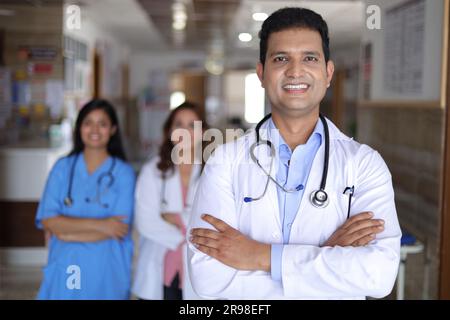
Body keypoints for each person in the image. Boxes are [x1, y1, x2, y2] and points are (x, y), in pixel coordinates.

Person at [187, 7, 401, 299]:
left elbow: (378, 275)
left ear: (328, 73)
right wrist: (326, 255)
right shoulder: (224, 161)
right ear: (262, 73)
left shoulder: (365, 164)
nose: (295, 70)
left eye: (309, 58)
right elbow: (208, 280)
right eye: (281, 58)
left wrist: (260, 256)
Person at [35, 99, 136, 299]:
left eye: (103, 123)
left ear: (113, 129)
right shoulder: (62, 168)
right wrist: (103, 225)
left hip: (107, 269)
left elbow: (119, 228)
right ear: (79, 127)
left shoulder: (124, 173)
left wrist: (66, 233)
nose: (95, 129)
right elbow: (48, 220)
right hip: (67, 266)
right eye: (88, 122)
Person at [132, 102, 207, 300]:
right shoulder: (153, 170)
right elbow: (145, 222)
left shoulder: (214, 171)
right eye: (179, 124)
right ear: (169, 130)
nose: (185, 131)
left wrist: (174, 218)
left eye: (192, 125)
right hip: (158, 267)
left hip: (201, 270)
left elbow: (217, 220)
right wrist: (190, 233)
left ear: (204, 131)